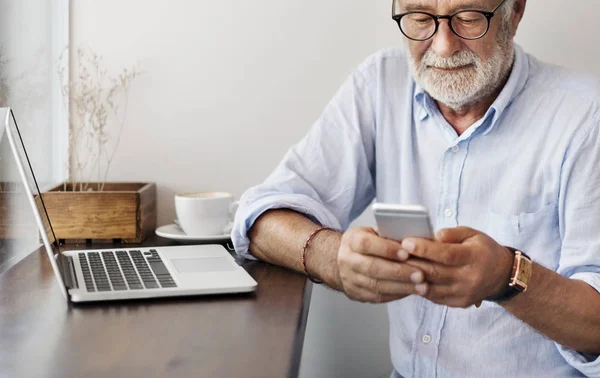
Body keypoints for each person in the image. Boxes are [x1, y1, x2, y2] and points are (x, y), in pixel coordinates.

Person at [232, 0, 600, 376]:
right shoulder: (381, 82)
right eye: (420, 18)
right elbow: (260, 218)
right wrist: (334, 258)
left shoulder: (586, 117)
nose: (443, 47)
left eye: (469, 18)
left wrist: (507, 276)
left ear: (515, 12)